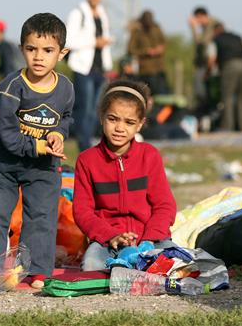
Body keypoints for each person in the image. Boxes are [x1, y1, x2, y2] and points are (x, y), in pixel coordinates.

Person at [0, 13, 74, 289]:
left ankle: (37, 269)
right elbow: (5, 134)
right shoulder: (10, 89)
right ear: (21, 50)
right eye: (31, 49)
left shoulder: (65, 88)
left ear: (61, 53)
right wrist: (38, 145)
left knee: (42, 212)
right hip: (2, 162)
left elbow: (65, 118)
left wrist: (57, 135)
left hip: (41, 164)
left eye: (48, 50)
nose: (39, 57)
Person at [73, 79, 177, 271]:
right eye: (113, 119)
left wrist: (150, 239)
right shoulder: (87, 160)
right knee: (91, 266)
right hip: (108, 242)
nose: (120, 128)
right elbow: (83, 212)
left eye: (129, 122)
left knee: (176, 264)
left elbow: (165, 205)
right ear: (102, 116)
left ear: (140, 124)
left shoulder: (150, 156)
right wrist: (110, 235)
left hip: (150, 239)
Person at [66, 0, 113, 152]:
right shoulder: (78, 13)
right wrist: (94, 42)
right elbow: (69, 40)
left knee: (95, 109)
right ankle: (83, 145)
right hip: (83, 68)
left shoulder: (102, 13)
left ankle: (90, 142)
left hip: (99, 68)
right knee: (84, 108)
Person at [208, 23, 242, 131]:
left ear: (215, 31)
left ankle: (227, 127)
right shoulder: (237, 37)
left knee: (227, 97)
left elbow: (212, 59)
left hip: (229, 66)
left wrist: (208, 73)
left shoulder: (216, 39)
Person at [127, 10, 170, 95]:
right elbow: (131, 50)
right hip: (145, 71)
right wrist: (146, 52)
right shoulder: (137, 32)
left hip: (159, 69)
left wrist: (160, 49)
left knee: (162, 95)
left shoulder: (157, 29)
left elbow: (164, 43)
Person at [189, 7, 221, 119]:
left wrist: (193, 28)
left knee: (203, 92)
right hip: (206, 64)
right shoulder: (207, 26)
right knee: (204, 92)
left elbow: (202, 43)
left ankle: (209, 115)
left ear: (201, 16)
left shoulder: (211, 25)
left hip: (208, 64)